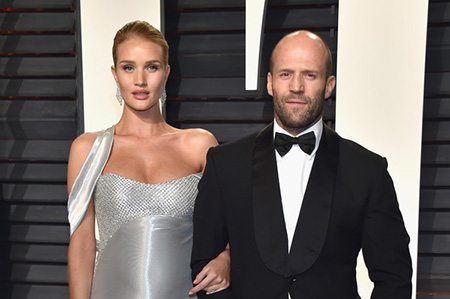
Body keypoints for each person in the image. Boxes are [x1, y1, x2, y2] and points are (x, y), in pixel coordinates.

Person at [191, 30, 412, 298]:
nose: (297, 86)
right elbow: (204, 265)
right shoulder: (225, 164)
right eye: (286, 74)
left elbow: (394, 277)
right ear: (270, 82)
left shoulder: (367, 171)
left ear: (329, 85)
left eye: (310, 75)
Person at [67, 20, 229, 298]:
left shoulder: (199, 144)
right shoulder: (88, 149)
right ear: (115, 74)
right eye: (128, 67)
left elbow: (232, 222)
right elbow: (82, 243)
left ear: (166, 73)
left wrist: (226, 259)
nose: (140, 80)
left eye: (151, 67)